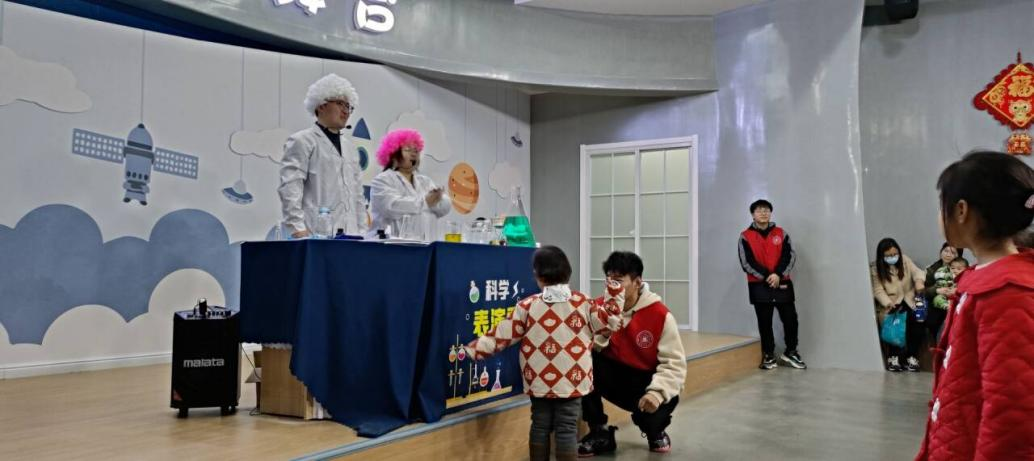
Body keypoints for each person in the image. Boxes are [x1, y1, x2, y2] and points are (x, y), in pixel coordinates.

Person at [916, 151, 1034, 460]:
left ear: (961, 211)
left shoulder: (1007, 293)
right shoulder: (986, 278)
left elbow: (1013, 414)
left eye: (941, 206)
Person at [464, 246, 624, 461]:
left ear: (538, 276)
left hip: (539, 379)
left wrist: (472, 350)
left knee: (539, 425)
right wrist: (614, 293)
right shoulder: (584, 303)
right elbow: (606, 324)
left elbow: (502, 335)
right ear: (568, 273)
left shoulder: (527, 306)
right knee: (567, 427)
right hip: (573, 378)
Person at [578, 251, 687, 457]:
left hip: (646, 383)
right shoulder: (597, 308)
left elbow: (674, 365)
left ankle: (655, 431)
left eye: (618, 281)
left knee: (662, 405)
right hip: (613, 377)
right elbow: (583, 347)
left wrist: (656, 393)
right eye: (609, 280)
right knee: (582, 362)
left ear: (637, 282)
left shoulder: (661, 315)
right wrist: (604, 332)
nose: (612, 286)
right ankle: (599, 432)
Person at [278, 74, 368, 238]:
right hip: (314, 234)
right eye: (340, 103)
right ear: (321, 105)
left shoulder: (350, 148)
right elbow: (291, 188)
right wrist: (297, 228)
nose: (345, 111)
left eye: (349, 106)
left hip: (352, 235)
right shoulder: (302, 141)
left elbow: (358, 196)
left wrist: (363, 232)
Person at [737, 199, 806, 370]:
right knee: (765, 322)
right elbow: (746, 262)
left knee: (791, 319)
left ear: (770, 213)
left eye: (766, 210)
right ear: (753, 214)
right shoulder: (745, 236)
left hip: (782, 283)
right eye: (759, 210)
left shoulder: (781, 234)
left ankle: (791, 352)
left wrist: (778, 275)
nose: (763, 213)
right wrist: (768, 276)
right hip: (759, 285)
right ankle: (768, 355)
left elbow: (789, 256)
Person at [368, 129, 451, 240]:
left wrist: (438, 198)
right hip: (390, 245)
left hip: (421, 244)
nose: (414, 154)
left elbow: (444, 208)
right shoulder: (382, 180)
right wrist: (426, 202)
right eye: (407, 149)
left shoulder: (425, 181)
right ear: (393, 155)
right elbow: (391, 207)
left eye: (416, 150)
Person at [870, 238, 926, 372]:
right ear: (882, 256)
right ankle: (893, 357)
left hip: (910, 299)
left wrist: (919, 281)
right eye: (888, 256)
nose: (893, 257)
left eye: (895, 254)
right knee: (894, 324)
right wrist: (887, 302)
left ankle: (911, 357)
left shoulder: (905, 260)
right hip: (892, 302)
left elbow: (917, 272)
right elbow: (878, 290)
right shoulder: (875, 268)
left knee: (918, 321)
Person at [922, 243, 963, 341]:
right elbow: (924, 292)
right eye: (946, 251)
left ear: (958, 256)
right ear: (941, 252)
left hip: (955, 302)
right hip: (937, 303)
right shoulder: (931, 269)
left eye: (953, 253)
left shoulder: (963, 268)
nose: (948, 255)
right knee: (932, 321)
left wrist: (956, 290)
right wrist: (936, 290)